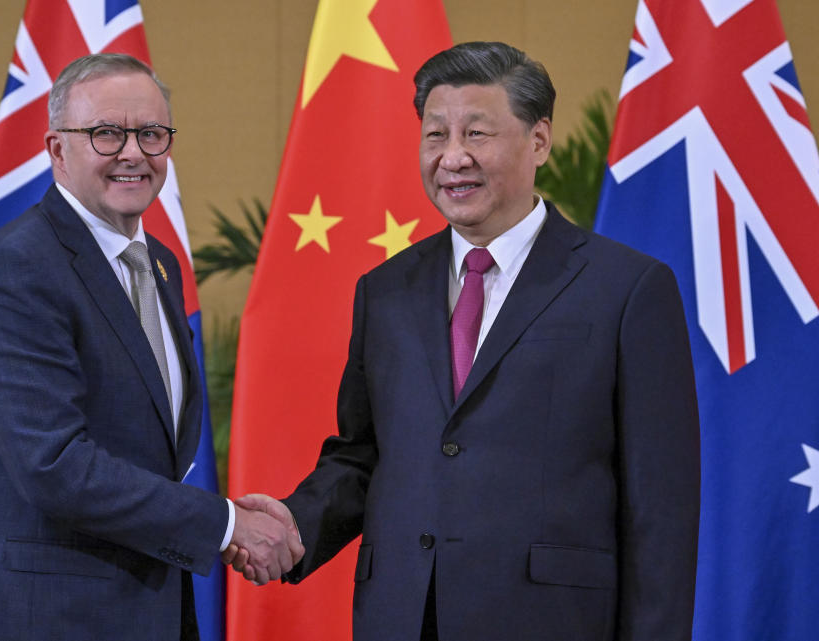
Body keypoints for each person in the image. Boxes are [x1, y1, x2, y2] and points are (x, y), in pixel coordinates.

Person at [227, 42, 700, 641]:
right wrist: (294, 526)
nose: (452, 158)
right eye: (435, 136)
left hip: (554, 622)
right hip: (403, 617)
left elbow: (661, 510)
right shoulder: (385, 290)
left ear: (540, 141)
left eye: (477, 134)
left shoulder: (628, 289)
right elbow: (366, 455)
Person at [0, 53, 301, 641]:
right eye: (106, 133)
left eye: (151, 133)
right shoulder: (19, 266)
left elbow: (142, 447)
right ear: (57, 149)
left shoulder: (159, 265)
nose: (134, 152)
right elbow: (54, 464)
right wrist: (223, 522)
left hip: (142, 608)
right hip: (41, 616)